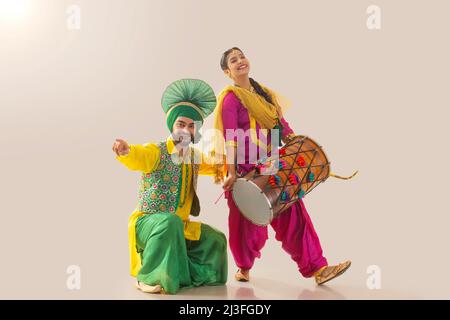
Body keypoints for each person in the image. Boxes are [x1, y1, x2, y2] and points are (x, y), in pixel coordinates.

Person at [212, 47, 351, 285]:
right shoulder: (230, 99)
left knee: (294, 213)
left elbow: (281, 126)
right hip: (244, 169)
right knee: (243, 226)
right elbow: (230, 137)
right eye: (233, 60)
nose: (240, 61)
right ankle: (244, 266)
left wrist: (299, 145)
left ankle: (318, 268)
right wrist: (233, 173)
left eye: (242, 56)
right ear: (227, 71)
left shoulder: (264, 94)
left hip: (272, 165)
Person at [113, 79, 227, 294]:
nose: (186, 130)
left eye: (191, 125)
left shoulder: (194, 156)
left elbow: (215, 166)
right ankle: (147, 276)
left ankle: (194, 276)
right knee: (170, 221)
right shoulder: (157, 151)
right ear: (172, 126)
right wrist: (127, 151)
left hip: (179, 225)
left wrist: (237, 162)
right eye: (181, 124)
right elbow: (139, 155)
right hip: (149, 224)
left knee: (215, 238)